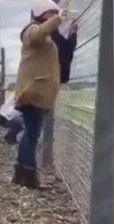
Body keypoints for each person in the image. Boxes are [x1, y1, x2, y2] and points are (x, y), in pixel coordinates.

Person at [13, 0, 65, 189]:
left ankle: (21, 172)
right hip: (34, 92)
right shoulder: (32, 30)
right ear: (43, 13)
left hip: (36, 91)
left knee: (30, 132)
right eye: (52, 12)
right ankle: (28, 174)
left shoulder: (41, 33)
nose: (56, 15)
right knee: (32, 134)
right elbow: (36, 36)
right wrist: (58, 19)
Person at [42, 20, 78, 168]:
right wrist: (72, 35)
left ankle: (42, 147)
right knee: (42, 113)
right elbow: (65, 51)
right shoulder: (49, 32)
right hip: (49, 78)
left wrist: (72, 35)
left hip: (51, 77)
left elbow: (65, 51)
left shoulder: (51, 33)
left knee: (43, 112)